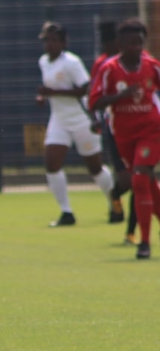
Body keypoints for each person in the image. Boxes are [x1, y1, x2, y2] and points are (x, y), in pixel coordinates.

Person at [89, 19, 160, 259]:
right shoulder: (109, 69)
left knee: (139, 178)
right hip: (124, 135)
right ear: (120, 44)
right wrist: (121, 96)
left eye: (139, 43)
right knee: (148, 184)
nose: (136, 48)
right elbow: (95, 102)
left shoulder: (152, 66)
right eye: (131, 44)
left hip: (151, 130)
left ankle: (144, 242)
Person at [36, 21, 114, 227]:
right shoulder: (43, 61)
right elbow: (49, 87)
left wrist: (53, 93)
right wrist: (43, 97)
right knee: (52, 164)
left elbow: (86, 89)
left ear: (63, 43)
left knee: (95, 168)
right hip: (59, 119)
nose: (49, 44)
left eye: (54, 40)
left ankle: (114, 203)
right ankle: (66, 212)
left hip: (82, 119)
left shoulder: (71, 62)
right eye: (46, 40)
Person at [90, 21, 136, 238]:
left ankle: (133, 232)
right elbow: (93, 96)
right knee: (126, 182)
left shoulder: (139, 61)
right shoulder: (103, 64)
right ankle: (115, 198)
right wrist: (95, 119)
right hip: (115, 128)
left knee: (140, 179)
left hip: (141, 128)